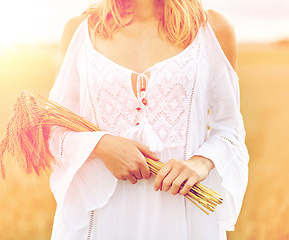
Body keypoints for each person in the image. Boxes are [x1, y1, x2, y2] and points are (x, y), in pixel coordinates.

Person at [47, 0, 249, 239]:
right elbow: (55, 130)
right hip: (101, 221)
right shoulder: (80, 30)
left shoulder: (211, 28)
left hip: (182, 217)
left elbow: (229, 127)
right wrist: (102, 145)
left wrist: (200, 163)